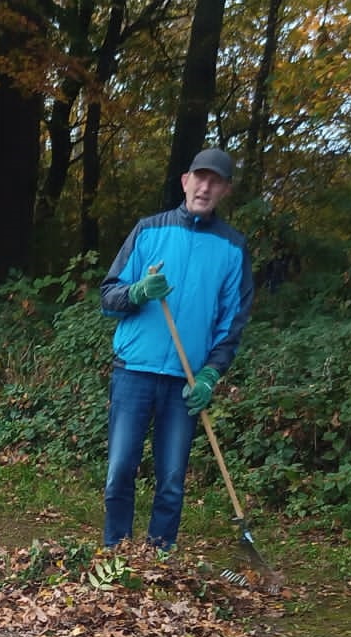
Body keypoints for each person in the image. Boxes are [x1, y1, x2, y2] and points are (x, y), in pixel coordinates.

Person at [97, 147, 255, 552]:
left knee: (170, 479)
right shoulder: (148, 231)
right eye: (199, 178)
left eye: (215, 182)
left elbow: (232, 323)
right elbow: (108, 297)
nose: (205, 187)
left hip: (185, 380)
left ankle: (160, 555)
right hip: (134, 370)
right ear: (185, 181)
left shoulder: (233, 248)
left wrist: (210, 374)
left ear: (225, 190)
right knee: (119, 470)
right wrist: (136, 292)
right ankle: (117, 550)